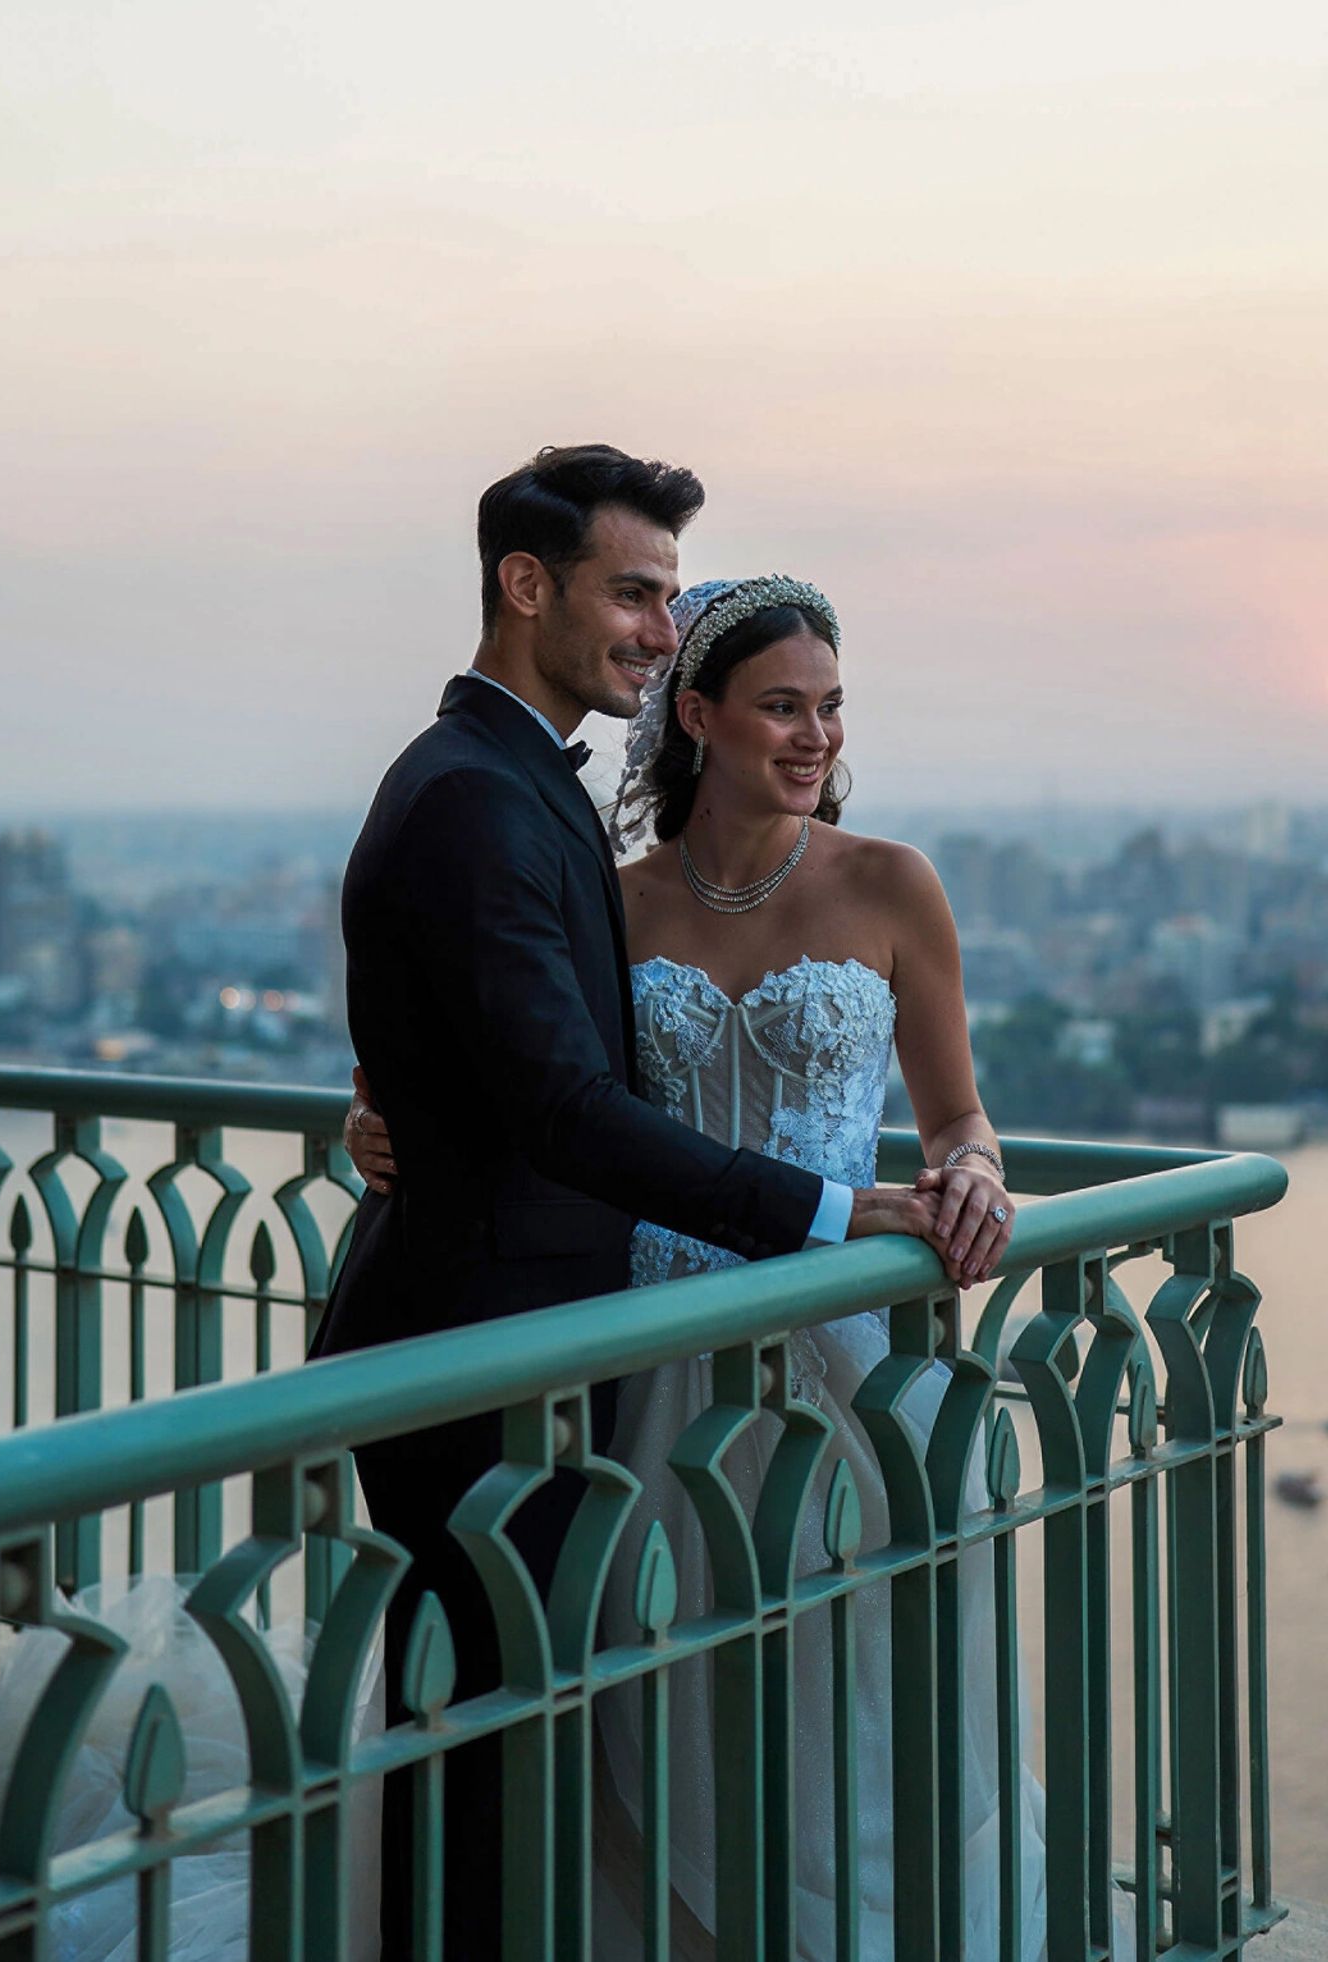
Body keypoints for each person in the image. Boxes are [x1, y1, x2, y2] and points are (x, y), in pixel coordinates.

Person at [346, 573, 1055, 1958]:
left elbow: (957, 1110)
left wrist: (971, 1166)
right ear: (698, 713)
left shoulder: (894, 886)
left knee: (855, 1701)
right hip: (643, 1358)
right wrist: (372, 1116)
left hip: (844, 1362)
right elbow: (512, 1077)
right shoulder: (611, 907)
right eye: (784, 705)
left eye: (833, 708)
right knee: (655, 1698)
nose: (817, 736)